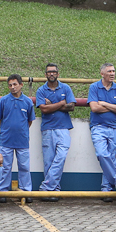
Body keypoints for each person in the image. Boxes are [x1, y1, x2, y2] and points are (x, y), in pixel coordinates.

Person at [87, 64, 116, 194]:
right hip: (98, 127)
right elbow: (94, 108)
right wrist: (113, 107)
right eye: (109, 71)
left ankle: (106, 189)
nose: (112, 73)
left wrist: (104, 104)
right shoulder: (94, 87)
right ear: (102, 74)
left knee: (113, 158)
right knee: (101, 154)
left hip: (114, 128)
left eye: (114, 71)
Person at [35, 64, 77, 192]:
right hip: (48, 128)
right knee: (49, 161)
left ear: (58, 74)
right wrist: (61, 103)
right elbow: (44, 109)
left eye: (54, 72)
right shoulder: (41, 90)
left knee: (61, 157)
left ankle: (46, 187)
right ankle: (53, 189)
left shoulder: (66, 88)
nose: (51, 74)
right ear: (45, 74)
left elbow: (71, 107)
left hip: (64, 128)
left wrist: (52, 105)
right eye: (49, 72)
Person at [0, 74, 37, 193]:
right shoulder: (3, 101)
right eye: (10, 85)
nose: (13, 87)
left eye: (15, 84)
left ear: (21, 85)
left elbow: (29, 120)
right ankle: (3, 191)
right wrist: (5, 129)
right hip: (6, 140)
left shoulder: (28, 102)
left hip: (22, 141)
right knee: (5, 167)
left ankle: (26, 191)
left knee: (24, 167)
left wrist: (21, 130)